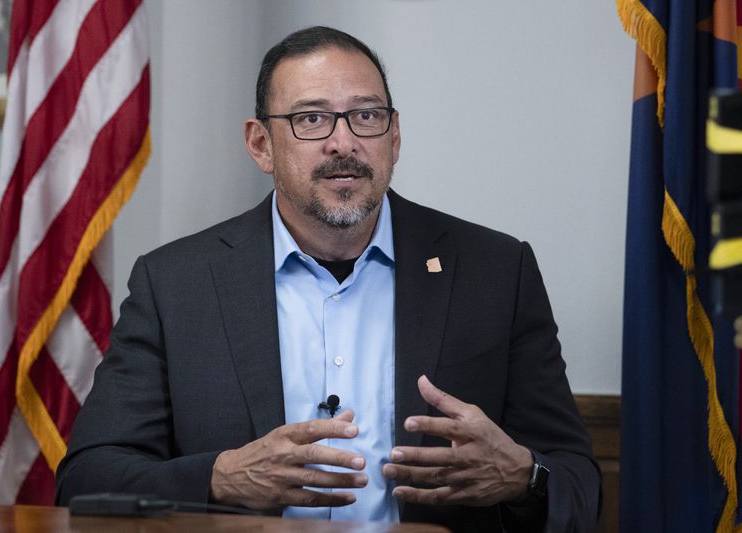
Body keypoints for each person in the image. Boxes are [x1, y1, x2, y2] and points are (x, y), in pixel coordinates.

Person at [56, 26, 601, 532]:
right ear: (260, 145)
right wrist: (221, 478)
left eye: (366, 116)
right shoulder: (176, 284)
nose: (343, 142)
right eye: (311, 119)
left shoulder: (495, 272)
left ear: (394, 137)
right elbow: (87, 479)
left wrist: (523, 476)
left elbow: (579, 484)